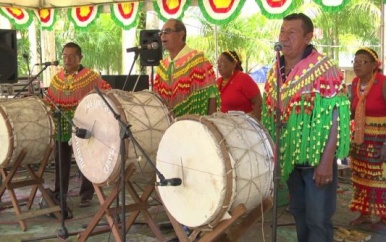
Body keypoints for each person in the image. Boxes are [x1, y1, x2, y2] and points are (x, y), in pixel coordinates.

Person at [261, 13, 351, 242]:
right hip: (290, 158)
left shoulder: (324, 67)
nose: (285, 37)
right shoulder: (274, 71)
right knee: (299, 213)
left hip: (316, 161)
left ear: (308, 37)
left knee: (318, 219)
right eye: (282, 31)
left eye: (292, 32)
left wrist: (326, 162)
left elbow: (336, 118)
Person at [45, 42, 111, 217]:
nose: (67, 59)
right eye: (65, 55)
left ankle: (87, 194)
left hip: (84, 125)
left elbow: (107, 94)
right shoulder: (56, 79)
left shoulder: (91, 77)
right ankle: (60, 193)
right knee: (61, 160)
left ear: (80, 58)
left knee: (87, 160)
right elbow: (49, 100)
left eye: (72, 56)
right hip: (62, 126)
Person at [349, 47, 386, 230]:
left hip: (379, 141)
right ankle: (364, 213)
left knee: (380, 180)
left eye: (362, 61)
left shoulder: (383, 82)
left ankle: (384, 218)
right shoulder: (354, 83)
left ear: (374, 65)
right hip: (360, 140)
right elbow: (350, 112)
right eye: (355, 61)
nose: (357, 64)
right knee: (361, 178)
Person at [154, 18, 220, 117]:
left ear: (181, 34)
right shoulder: (163, 66)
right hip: (167, 126)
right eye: (161, 32)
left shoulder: (197, 60)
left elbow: (211, 95)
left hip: (193, 125)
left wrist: (209, 124)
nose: (163, 35)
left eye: (167, 31)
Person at [216, 50, 262, 121]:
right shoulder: (217, 82)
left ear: (233, 64)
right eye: (218, 63)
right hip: (223, 126)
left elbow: (258, 101)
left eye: (222, 62)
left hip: (242, 127)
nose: (219, 65)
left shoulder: (243, 78)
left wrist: (254, 121)